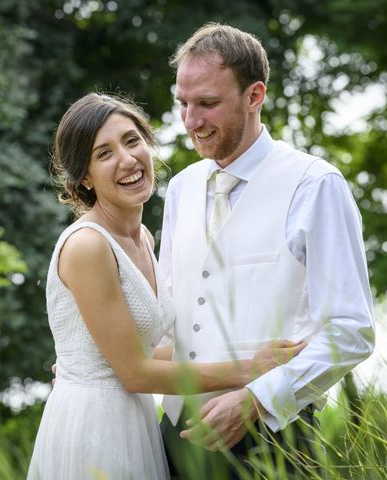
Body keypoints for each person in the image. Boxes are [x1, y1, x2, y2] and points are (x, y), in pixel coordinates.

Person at [26, 93, 306, 480]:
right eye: (104, 154)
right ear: (84, 176)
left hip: (136, 420)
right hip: (95, 426)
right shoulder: (88, 245)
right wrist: (248, 371)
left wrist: (254, 342)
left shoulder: (143, 238)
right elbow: (134, 372)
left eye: (131, 140)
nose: (127, 160)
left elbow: (148, 350)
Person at [158, 23, 376, 478]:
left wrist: (258, 399)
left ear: (255, 95)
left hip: (272, 442)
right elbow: (167, 317)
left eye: (208, 104)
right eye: (183, 104)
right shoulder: (180, 188)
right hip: (174, 441)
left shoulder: (315, 185)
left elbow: (351, 330)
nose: (191, 121)